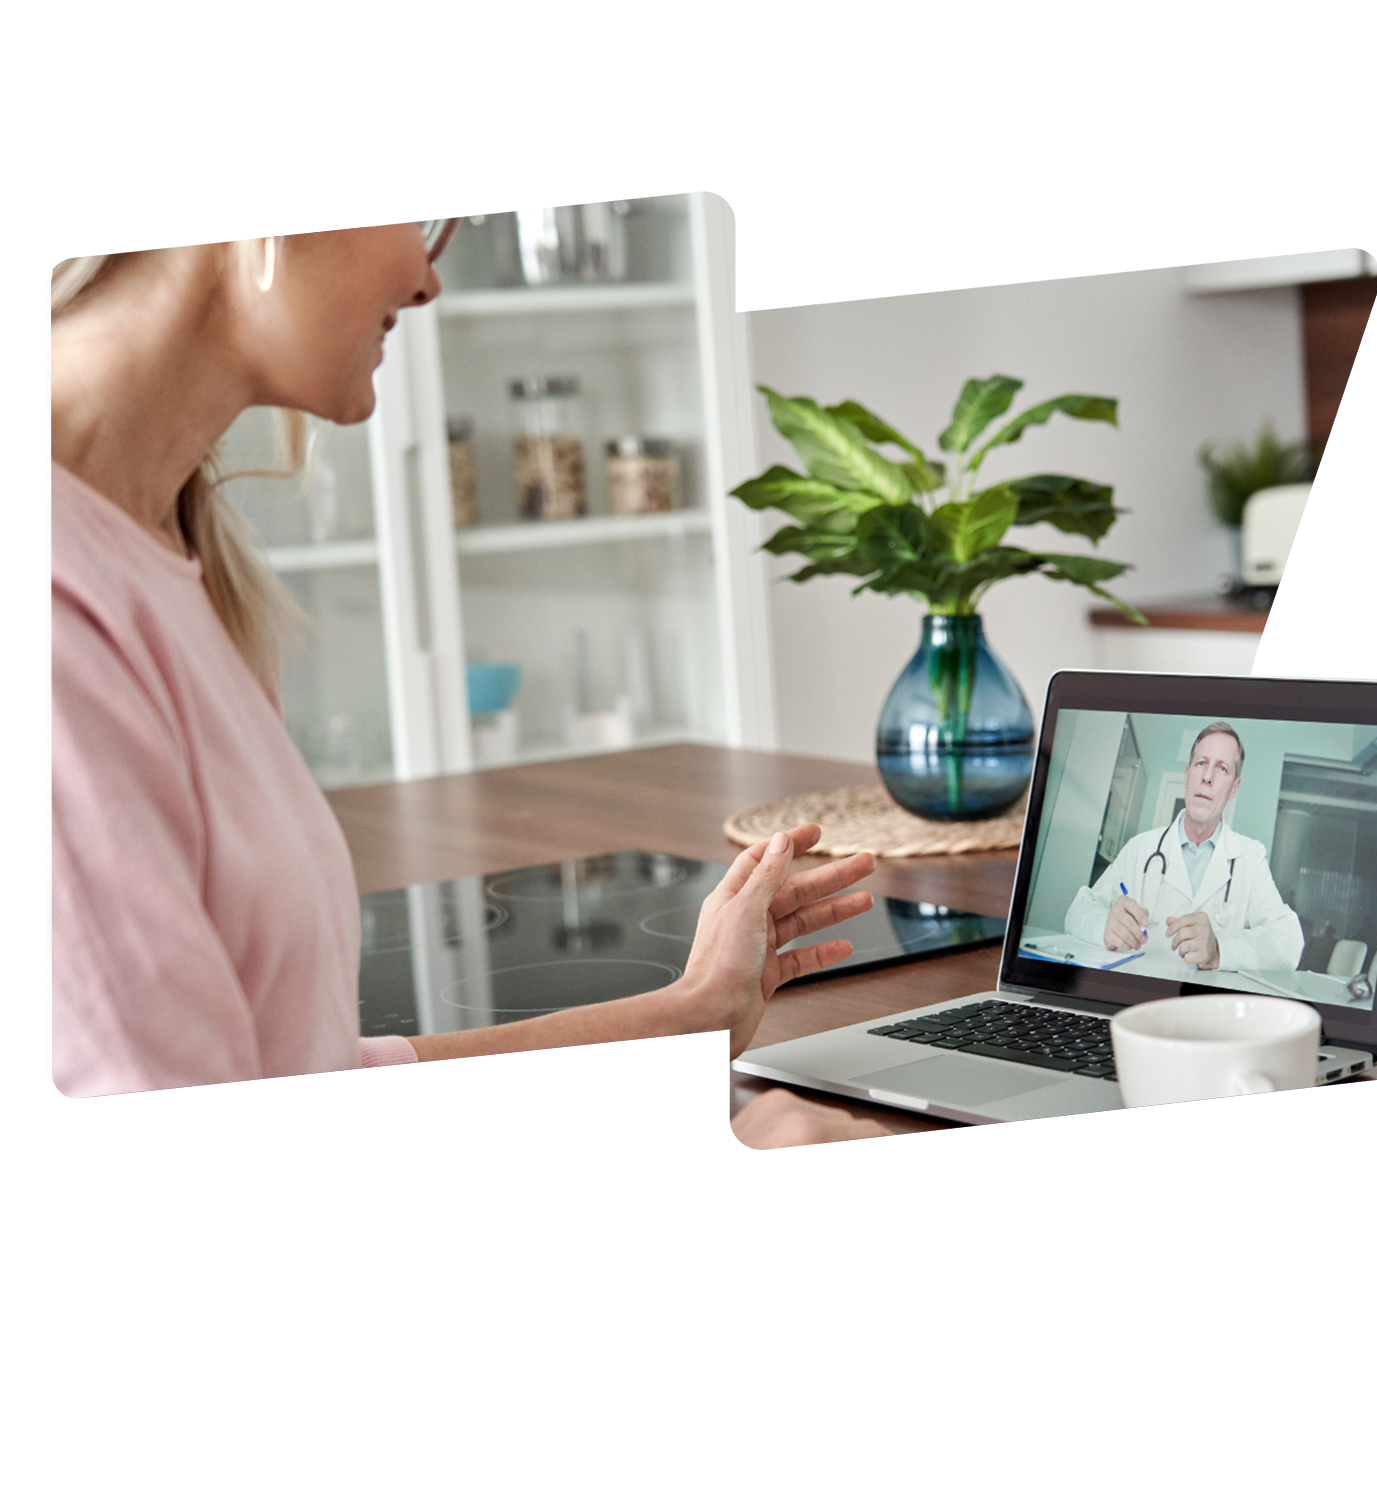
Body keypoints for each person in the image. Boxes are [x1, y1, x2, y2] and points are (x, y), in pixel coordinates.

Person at [48, 218, 885, 1148]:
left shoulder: (179, 556)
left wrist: (686, 1019)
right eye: (423, 216)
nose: (425, 280)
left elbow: (298, 1078)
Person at [1063, 722, 1303, 974]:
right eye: (1201, 763)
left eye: (1222, 768)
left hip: (1208, 1009)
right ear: (1187, 775)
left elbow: (1289, 941)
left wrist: (1220, 949)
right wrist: (1104, 925)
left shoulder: (1250, 858)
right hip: (1137, 998)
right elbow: (1077, 909)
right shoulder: (1140, 848)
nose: (1207, 777)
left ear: (1234, 788)